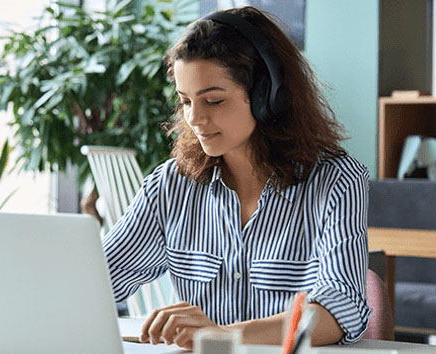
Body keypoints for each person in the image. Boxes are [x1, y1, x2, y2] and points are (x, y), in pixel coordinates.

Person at [102, 6, 370, 350]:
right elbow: (98, 281)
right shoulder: (170, 186)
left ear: (266, 97)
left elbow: (341, 310)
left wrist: (221, 338)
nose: (195, 119)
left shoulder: (336, 182)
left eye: (213, 100)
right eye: (186, 101)